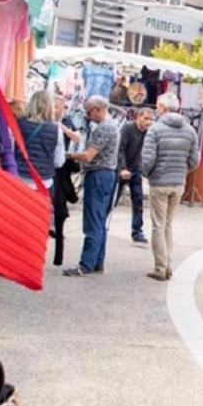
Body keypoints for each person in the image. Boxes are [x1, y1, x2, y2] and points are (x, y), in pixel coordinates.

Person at [141, 92, 199, 281]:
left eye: (158, 106)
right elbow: (194, 160)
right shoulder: (190, 130)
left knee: (158, 225)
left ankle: (160, 267)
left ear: (163, 109)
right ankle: (168, 264)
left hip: (159, 182)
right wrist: (182, 172)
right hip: (178, 183)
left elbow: (148, 159)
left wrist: (147, 174)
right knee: (168, 224)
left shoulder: (155, 129)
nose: (156, 110)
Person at [63, 96, 118, 278]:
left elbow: (88, 156)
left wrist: (70, 155)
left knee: (93, 221)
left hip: (98, 175)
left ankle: (85, 264)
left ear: (99, 109)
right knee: (100, 220)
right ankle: (96, 261)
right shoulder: (112, 125)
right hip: (106, 174)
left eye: (88, 112)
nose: (87, 116)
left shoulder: (104, 128)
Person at [117, 108, 154, 245]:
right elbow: (120, 148)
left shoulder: (148, 133)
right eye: (145, 119)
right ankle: (101, 224)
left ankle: (137, 231)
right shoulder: (127, 128)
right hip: (123, 168)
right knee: (112, 199)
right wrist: (122, 168)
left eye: (150, 119)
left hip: (136, 169)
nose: (148, 122)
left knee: (138, 200)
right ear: (138, 117)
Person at [15, 90, 64, 191]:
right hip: (43, 183)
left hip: (19, 178)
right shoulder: (57, 130)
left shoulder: (18, 124)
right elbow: (59, 162)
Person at [50, 94, 79, 267]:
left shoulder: (67, 121)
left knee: (60, 212)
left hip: (61, 171)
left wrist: (63, 128)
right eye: (53, 106)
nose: (55, 109)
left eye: (58, 107)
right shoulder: (44, 121)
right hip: (48, 169)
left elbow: (77, 138)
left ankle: (58, 256)